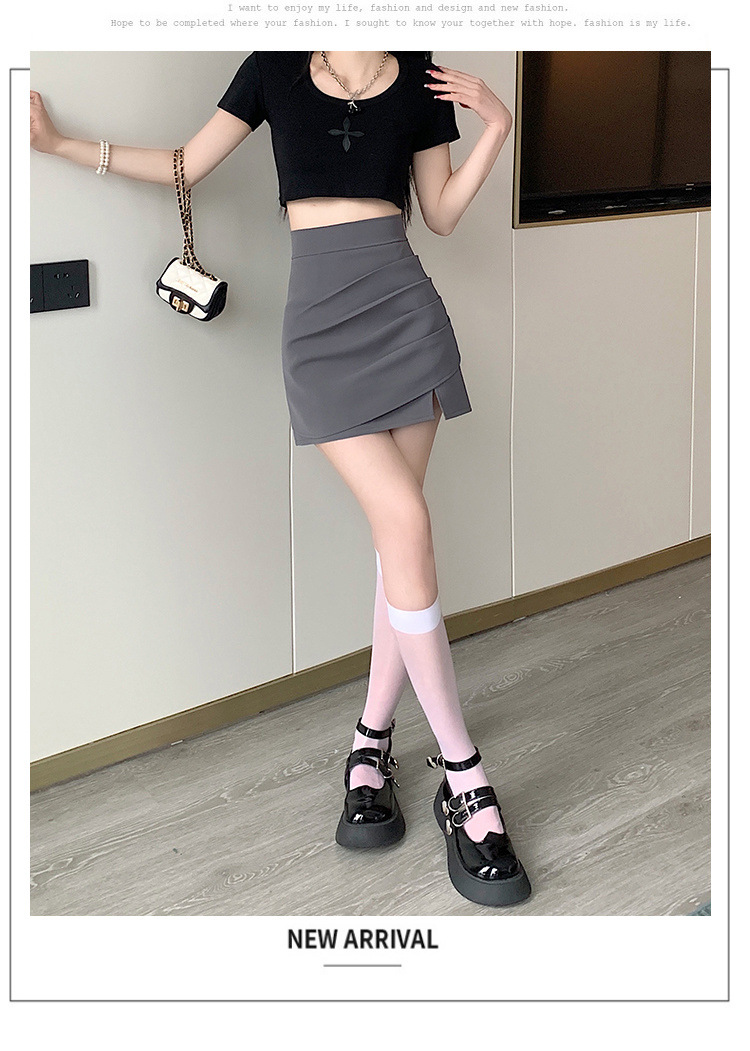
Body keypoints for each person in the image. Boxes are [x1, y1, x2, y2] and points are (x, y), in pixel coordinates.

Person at [30, 50, 531, 908]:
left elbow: (442, 215)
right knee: (407, 529)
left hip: (408, 320)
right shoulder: (272, 67)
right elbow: (187, 163)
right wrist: (64, 146)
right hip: (322, 334)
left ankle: (370, 744)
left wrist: (499, 126)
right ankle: (464, 776)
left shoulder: (421, 77)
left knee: (398, 541)